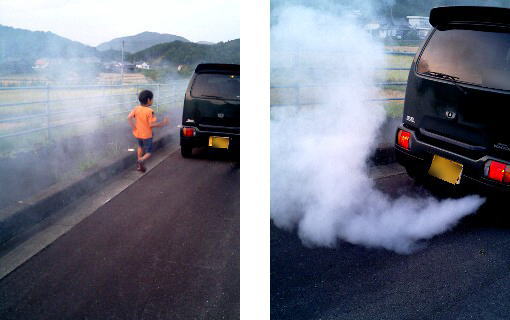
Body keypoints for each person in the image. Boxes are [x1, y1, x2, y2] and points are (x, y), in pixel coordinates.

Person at [127, 90, 168, 172]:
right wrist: (163, 123)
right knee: (149, 152)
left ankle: (139, 165)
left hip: (138, 133)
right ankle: (141, 160)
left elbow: (129, 118)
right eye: (152, 99)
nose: (152, 100)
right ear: (149, 100)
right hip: (147, 135)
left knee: (140, 147)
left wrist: (133, 127)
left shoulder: (136, 108)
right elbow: (151, 125)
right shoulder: (150, 111)